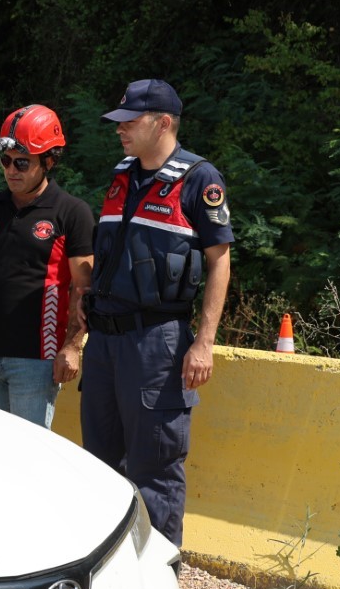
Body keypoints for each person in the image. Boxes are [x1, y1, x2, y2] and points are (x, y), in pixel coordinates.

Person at [79, 79, 233, 546]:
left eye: (130, 121)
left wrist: (203, 343)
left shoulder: (200, 180)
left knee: (155, 465)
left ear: (163, 122)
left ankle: (159, 573)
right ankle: (110, 565)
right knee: (101, 462)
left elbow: (219, 262)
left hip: (156, 344)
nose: (120, 129)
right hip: (104, 342)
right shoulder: (121, 176)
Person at [0, 105, 94, 428]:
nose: (12, 170)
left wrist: (72, 346)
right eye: (6, 161)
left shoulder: (71, 212)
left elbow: (84, 286)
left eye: (22, 162)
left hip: (37, 359)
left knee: (30, 456)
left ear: (49, 161)